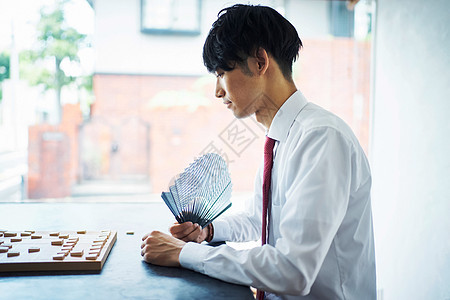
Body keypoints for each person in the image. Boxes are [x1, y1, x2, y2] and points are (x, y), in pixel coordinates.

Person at [141, 4, 376, 299]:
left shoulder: (321, 139)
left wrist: (185, 254)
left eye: (222, 72)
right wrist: (208, 232)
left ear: (260, 62)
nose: (217, 91)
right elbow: (261, 219)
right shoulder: (282, 137)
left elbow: (293, 271)